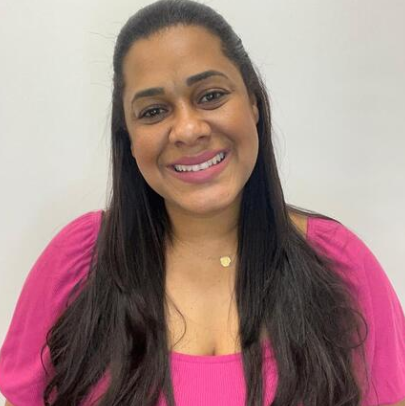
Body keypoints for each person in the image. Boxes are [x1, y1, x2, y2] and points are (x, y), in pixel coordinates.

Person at [1, 0, 404, 405]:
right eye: (153, 111)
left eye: (211, 95)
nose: (188, 129)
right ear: (129, 138)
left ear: (253, 102)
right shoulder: (78, 261)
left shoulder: (340, 264)